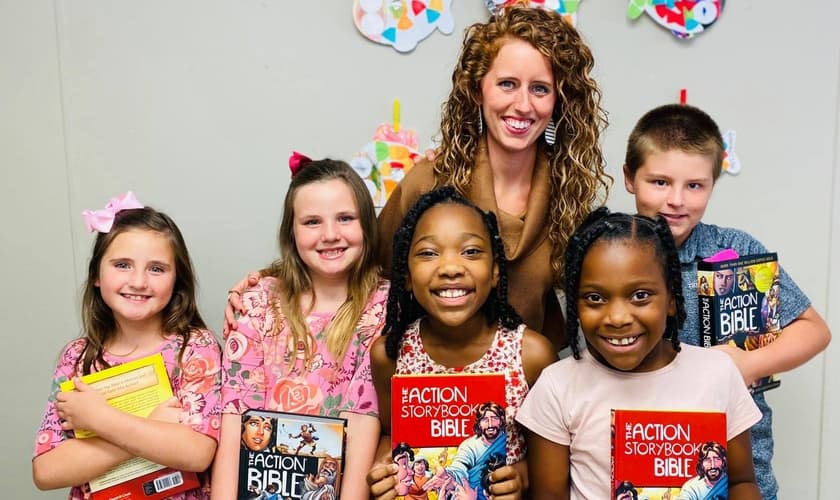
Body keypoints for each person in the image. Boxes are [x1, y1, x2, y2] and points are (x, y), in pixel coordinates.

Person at [222, 2, 610, 354]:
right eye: (507, 84)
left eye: (540, 89)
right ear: (478, 90)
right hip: (426, 391)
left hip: (524, 388)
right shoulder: (430, 180)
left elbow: (591, 296)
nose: (523, 104)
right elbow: (364, 262)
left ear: (560, 101)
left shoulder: (567, 193)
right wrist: (269, 282)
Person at [622, 103, 832, 499]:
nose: (677, 200)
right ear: (630, 178)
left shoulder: (734, 251)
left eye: (695, 186)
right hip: (638, 455)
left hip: (734, 464)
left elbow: (815, 331)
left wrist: (748, 363)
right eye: (660, 182)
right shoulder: (607, 251)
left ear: (713, 184)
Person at [516, 209, 762, 499]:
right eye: (595, 298)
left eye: (640, 296)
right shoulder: (558, 386)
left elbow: (741, 482)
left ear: (671, 299)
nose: (618, 317)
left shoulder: (717, 372)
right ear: (575, 303)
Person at [210, 158, 389, 500]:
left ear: (367, 223)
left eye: (345, 218)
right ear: (291, 232)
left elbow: (365, 421)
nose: (330, 234)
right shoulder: (259, 304)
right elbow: (234, 419)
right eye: (312, 222)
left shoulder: (383, 308)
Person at [366, 187, 557, 499]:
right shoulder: (390, 356)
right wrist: (383, 469)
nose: (451, 267)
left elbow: (550, 456)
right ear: (406, 277)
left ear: (495, 271)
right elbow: (390, 434)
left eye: (470, 252)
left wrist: (519, 479)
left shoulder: (531, 355)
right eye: (428, 253)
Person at [32, 192, 221, 499]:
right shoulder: (77, 358)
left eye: (157, 268)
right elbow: (47, 471)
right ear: (96, 275)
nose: (138, 281)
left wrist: (100, 420)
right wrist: (150, 427)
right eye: (122, 265)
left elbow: (196, 452)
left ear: (177, 281)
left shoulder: (194, 348)